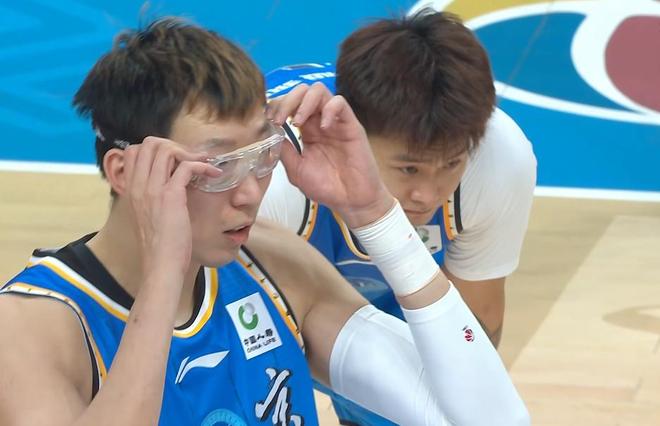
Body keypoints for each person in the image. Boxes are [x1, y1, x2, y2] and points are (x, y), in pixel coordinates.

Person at [0, 18, 529, 426]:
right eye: (219, 166)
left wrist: (375, 214)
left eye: (261, 155)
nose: (251, 192)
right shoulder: (31, 327)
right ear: (124, 171)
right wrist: (164, 276)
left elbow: (487, 419)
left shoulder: (273, 266)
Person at [262, 9, 537, 425]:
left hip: (398, 293)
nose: (427, 194)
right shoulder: (274, 171)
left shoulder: (501, 158)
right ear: (351, 134)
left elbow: (475, 336)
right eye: (409, 169)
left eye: (451, 165)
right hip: (281, 283)